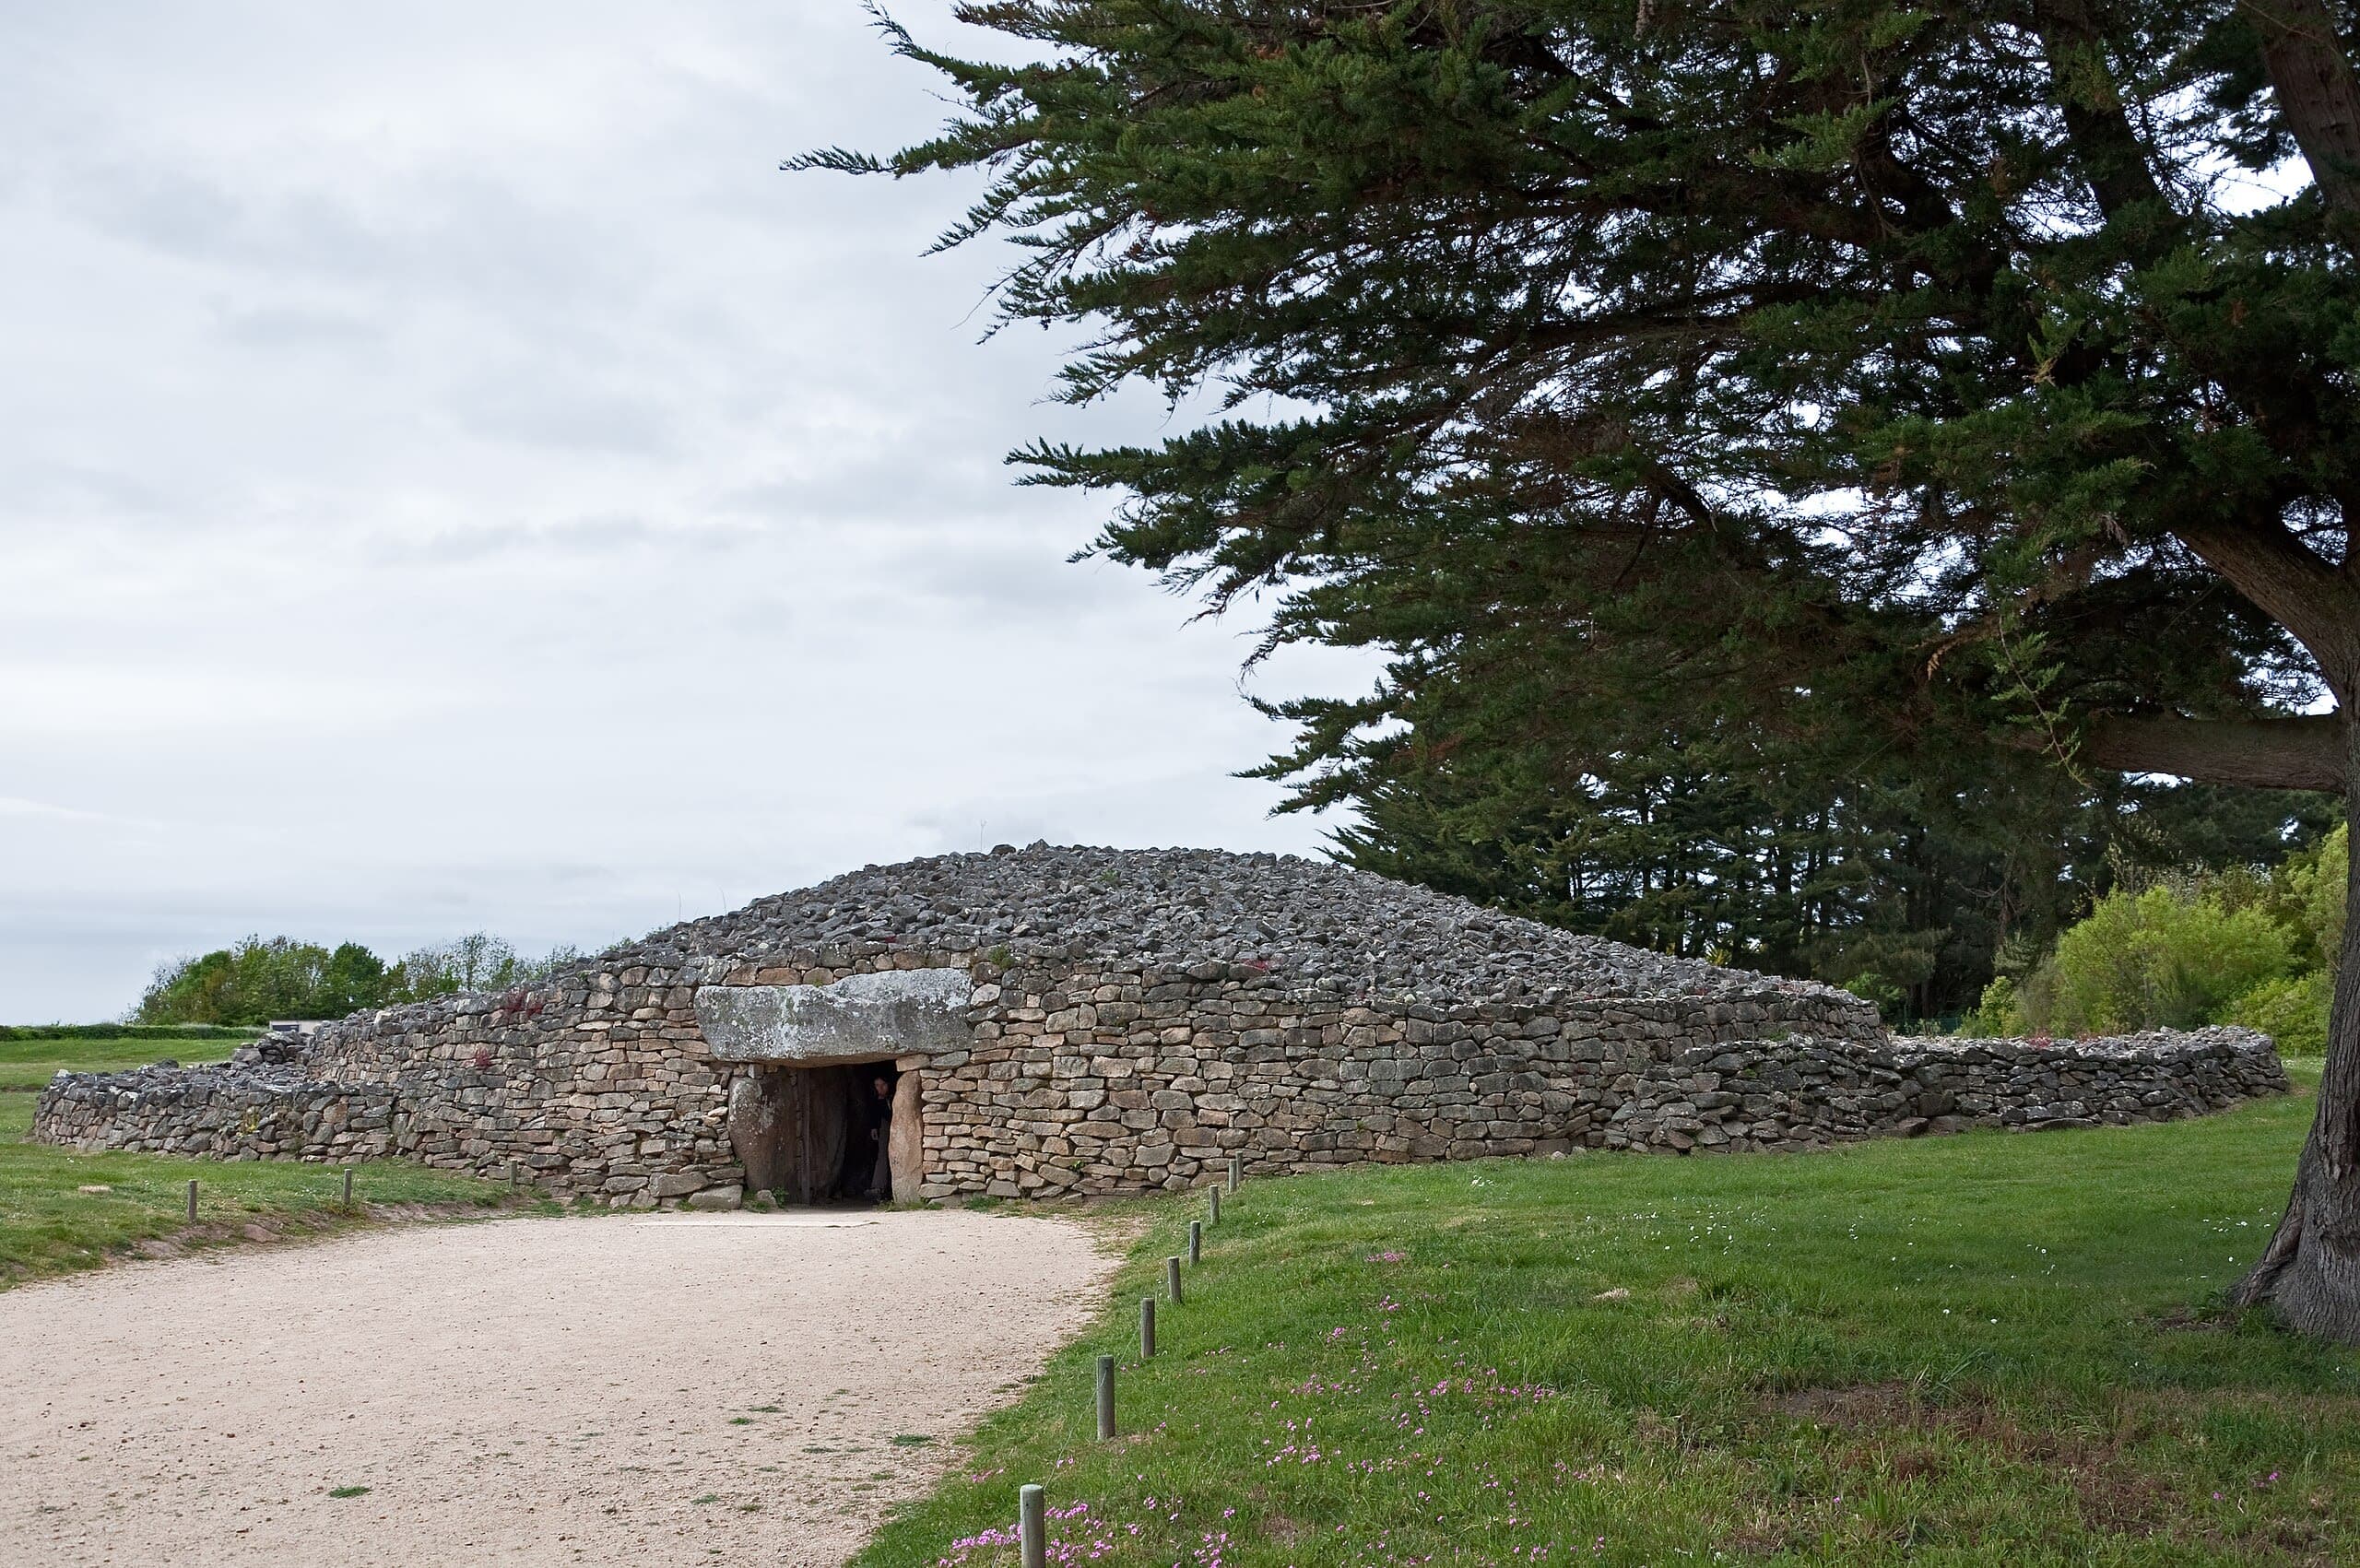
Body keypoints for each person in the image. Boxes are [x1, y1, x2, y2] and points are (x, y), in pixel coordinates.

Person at [867, 1073, 894, 1200]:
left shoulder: (894, 1096)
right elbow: (874, 1115)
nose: (880, 1088)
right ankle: (878, 1186)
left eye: (883, 1085)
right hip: (884, 1127)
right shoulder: (875, 1100)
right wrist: (873, 1128)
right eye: (877, 1086)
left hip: (897, 1125)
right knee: (882, 1155)